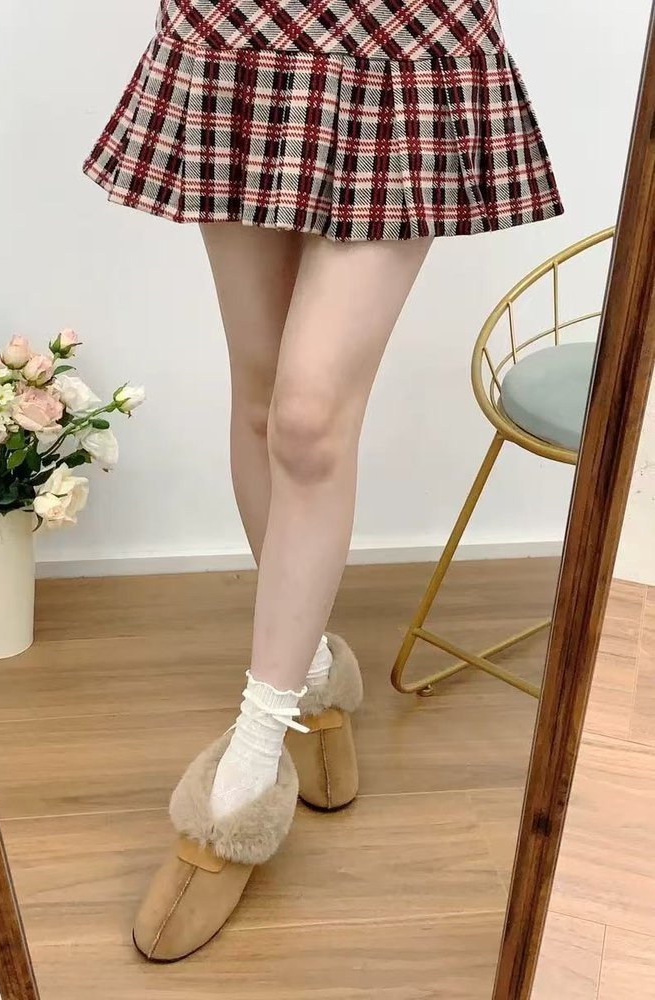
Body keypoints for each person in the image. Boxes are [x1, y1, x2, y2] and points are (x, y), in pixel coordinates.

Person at [84, 0, 563, 961]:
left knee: (309, 421)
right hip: (242, 27)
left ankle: (252, 759)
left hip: (404, 31)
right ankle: (309, 679)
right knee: (264, 397)